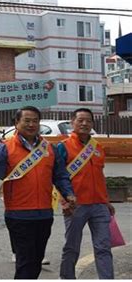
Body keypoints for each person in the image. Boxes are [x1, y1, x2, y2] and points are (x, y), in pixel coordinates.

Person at [0, 106, 77, 279]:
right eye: (27, 120)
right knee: (25, 262)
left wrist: (68, 193)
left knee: (36, 261)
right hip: (19, 215)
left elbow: (61, 176)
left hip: (44, 215)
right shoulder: (5, 149)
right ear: (16, 123)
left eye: (35, 121)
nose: (31, 124)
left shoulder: (49, 149)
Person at [58, 108, 115, 279]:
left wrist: (107, 201)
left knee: (104, 247)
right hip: (76, 205)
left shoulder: (97, 148)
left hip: (99, 205)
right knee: (72, 247)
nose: (84, 123)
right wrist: (64, 201)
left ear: (92, 123)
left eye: (88, 120)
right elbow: (59, 178)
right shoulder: (63, 147)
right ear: (72, 122)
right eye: (80, 120)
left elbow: (100, 176)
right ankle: (67, 277)